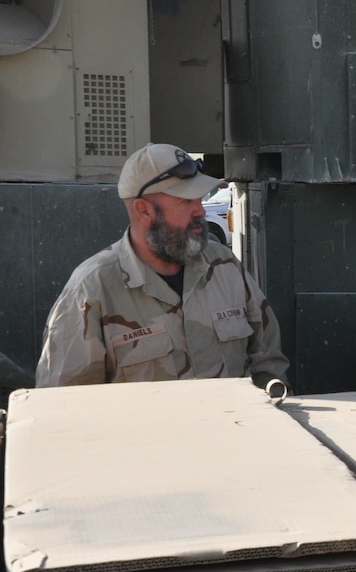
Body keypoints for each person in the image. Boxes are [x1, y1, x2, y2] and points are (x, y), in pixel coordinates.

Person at [35, 143, 289, 391]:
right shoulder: (92, 290)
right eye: (185, 201)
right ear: (144, 210)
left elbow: (268, 364)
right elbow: (63, 406)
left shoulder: (224, 266)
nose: (200, 210)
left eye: (199, 199)